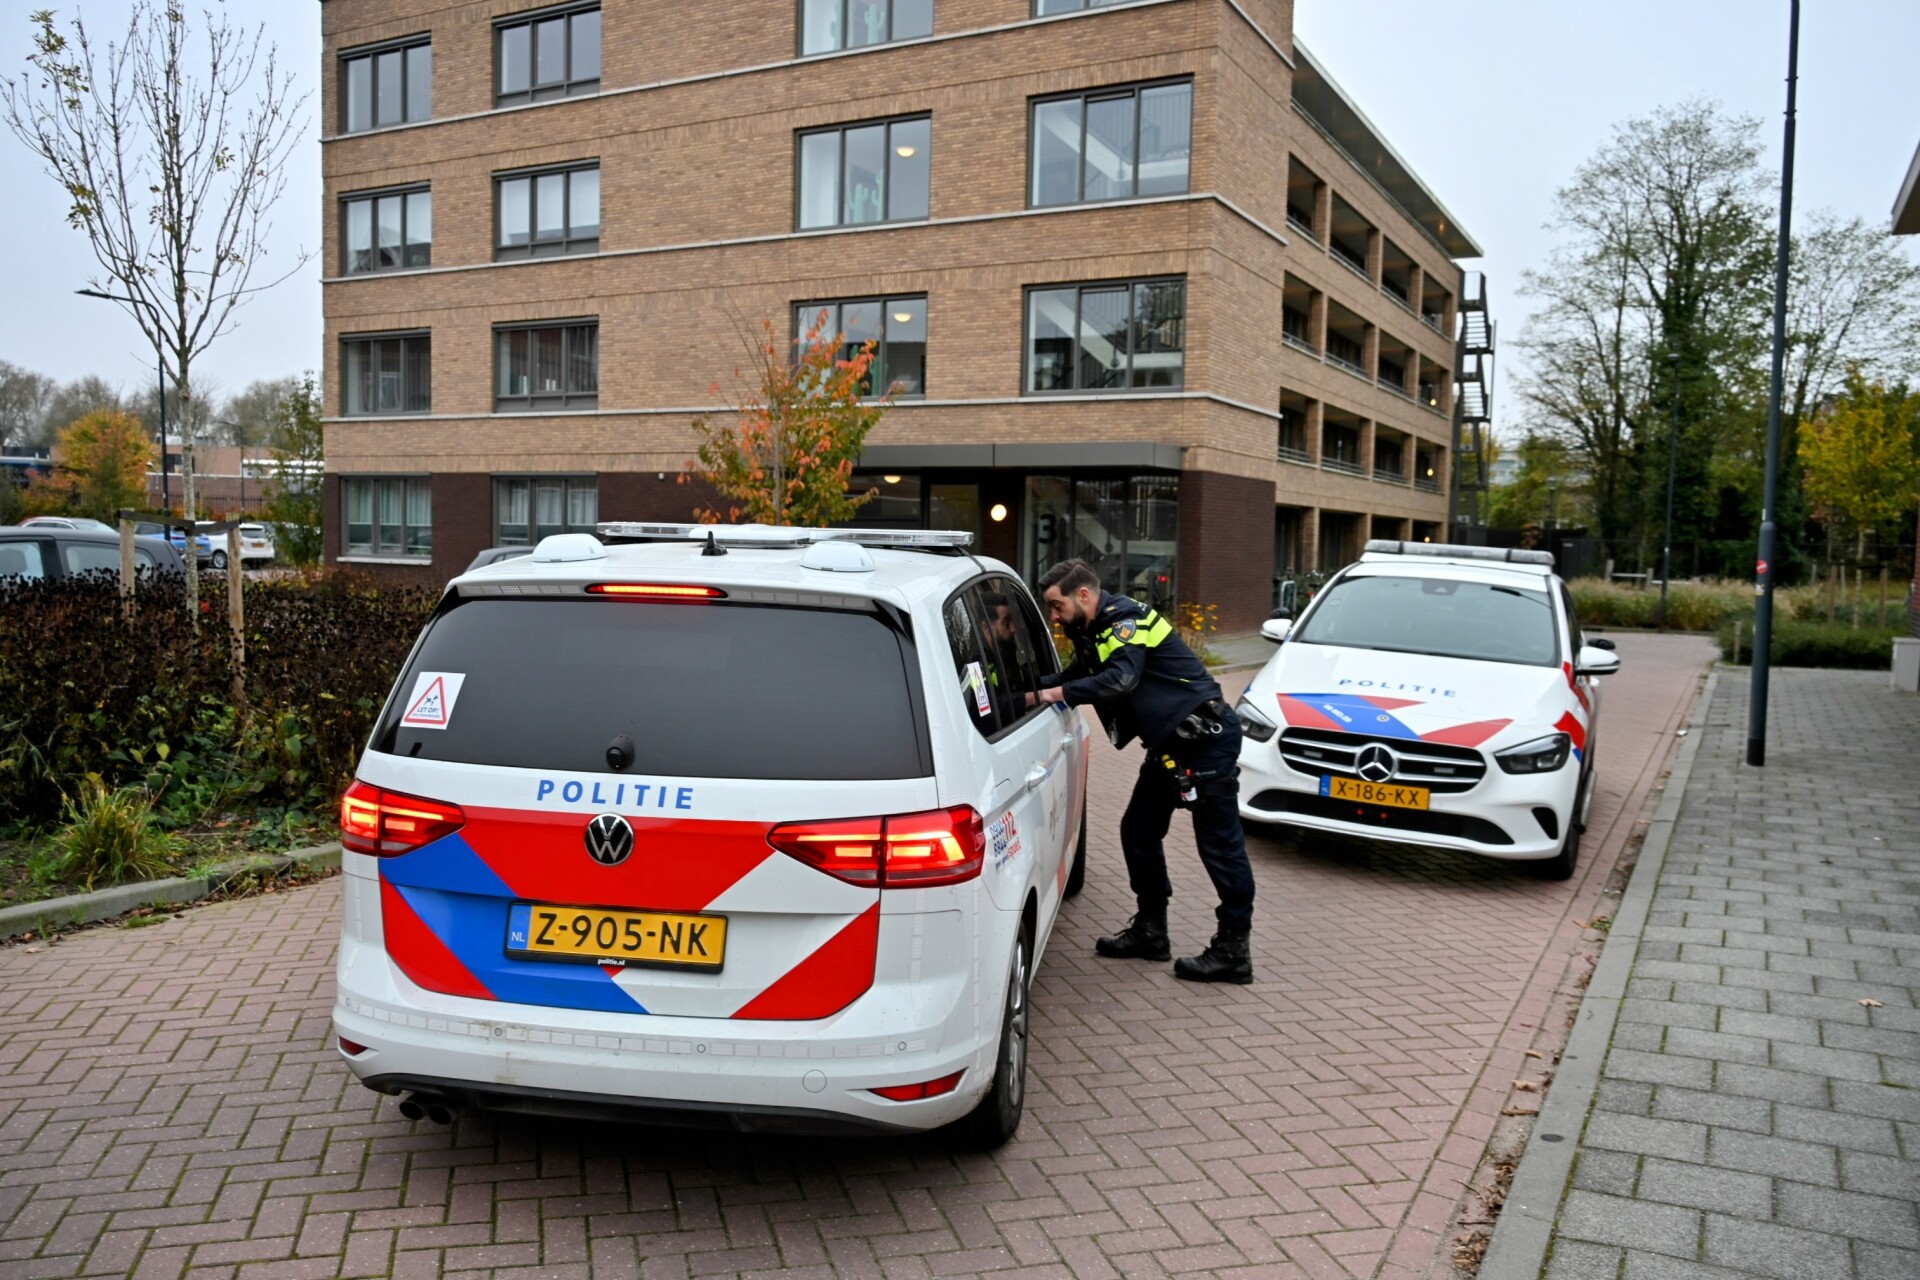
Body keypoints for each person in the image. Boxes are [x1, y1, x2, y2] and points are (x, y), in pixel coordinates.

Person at [1028, 559, 1255, 983]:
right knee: (1139, 831)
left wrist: (1054, 692)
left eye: (1056, 606)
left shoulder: (1125, 620)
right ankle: (1151, 932)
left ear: (1083, 595)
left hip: (1205, 741)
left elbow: (1120, 680)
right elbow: (1080, 673)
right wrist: (1026, 692)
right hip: (1172, 745)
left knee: (1220, 849)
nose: (1054, 617)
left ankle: (1233, 951)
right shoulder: (1094, 629)